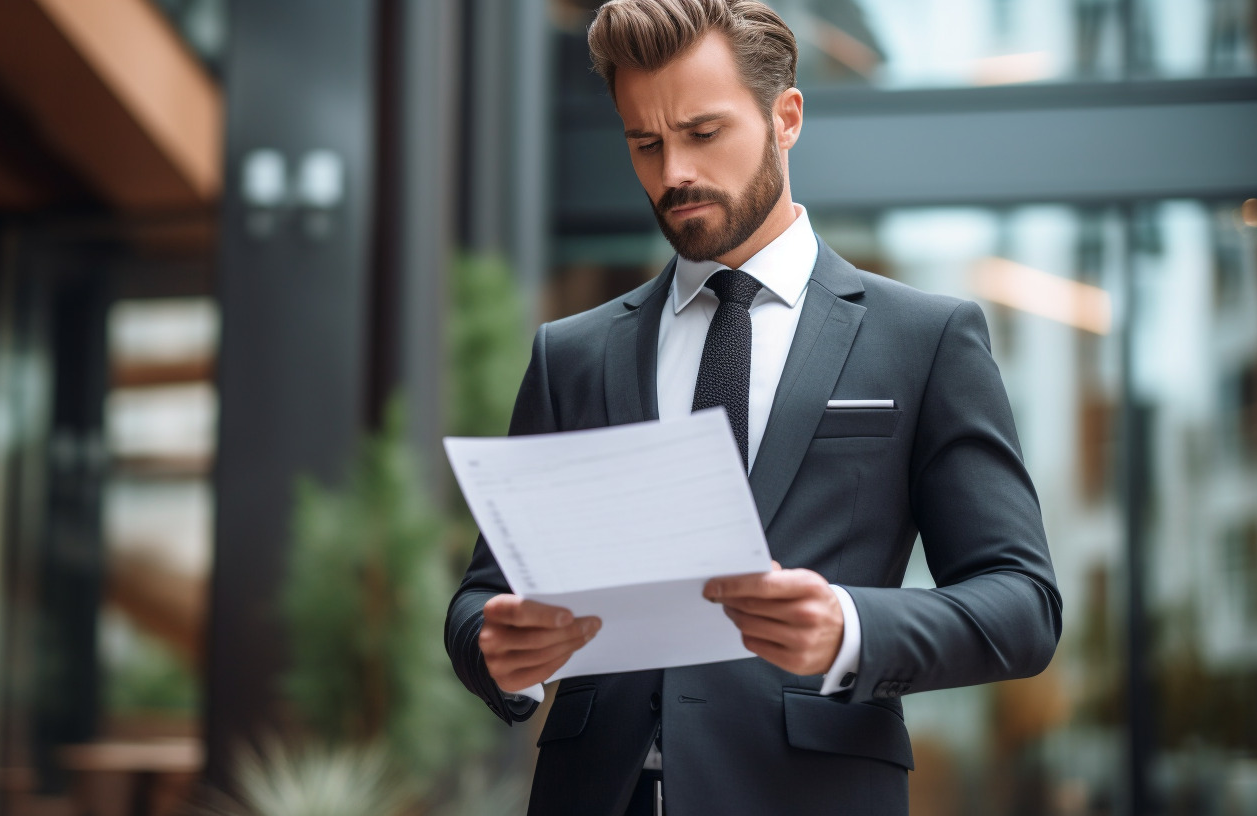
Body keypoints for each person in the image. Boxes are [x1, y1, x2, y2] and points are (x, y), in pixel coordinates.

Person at [444, 1, 1062, 813]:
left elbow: (1021, 604)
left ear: (786, 118)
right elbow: (482, 596)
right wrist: (497, 648)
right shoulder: (573, 353)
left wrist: (849, 629)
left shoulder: (926, 338)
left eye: (703, 134)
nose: (673, 174)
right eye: (645, 142)